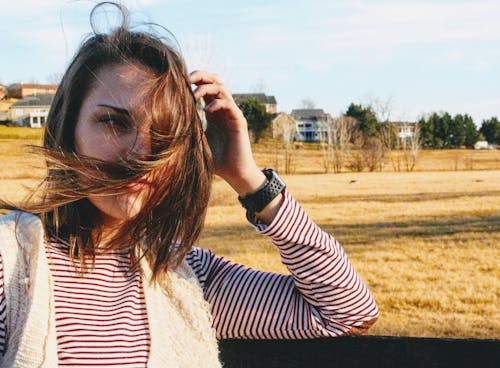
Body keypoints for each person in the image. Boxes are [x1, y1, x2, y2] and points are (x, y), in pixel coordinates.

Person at [0, 3, 378, 367]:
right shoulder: (11, 262)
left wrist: (248, 178)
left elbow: (346, 312)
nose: (143, 153)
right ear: (68, 130)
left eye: (166, 133)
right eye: (115, 122)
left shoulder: (187, 275)